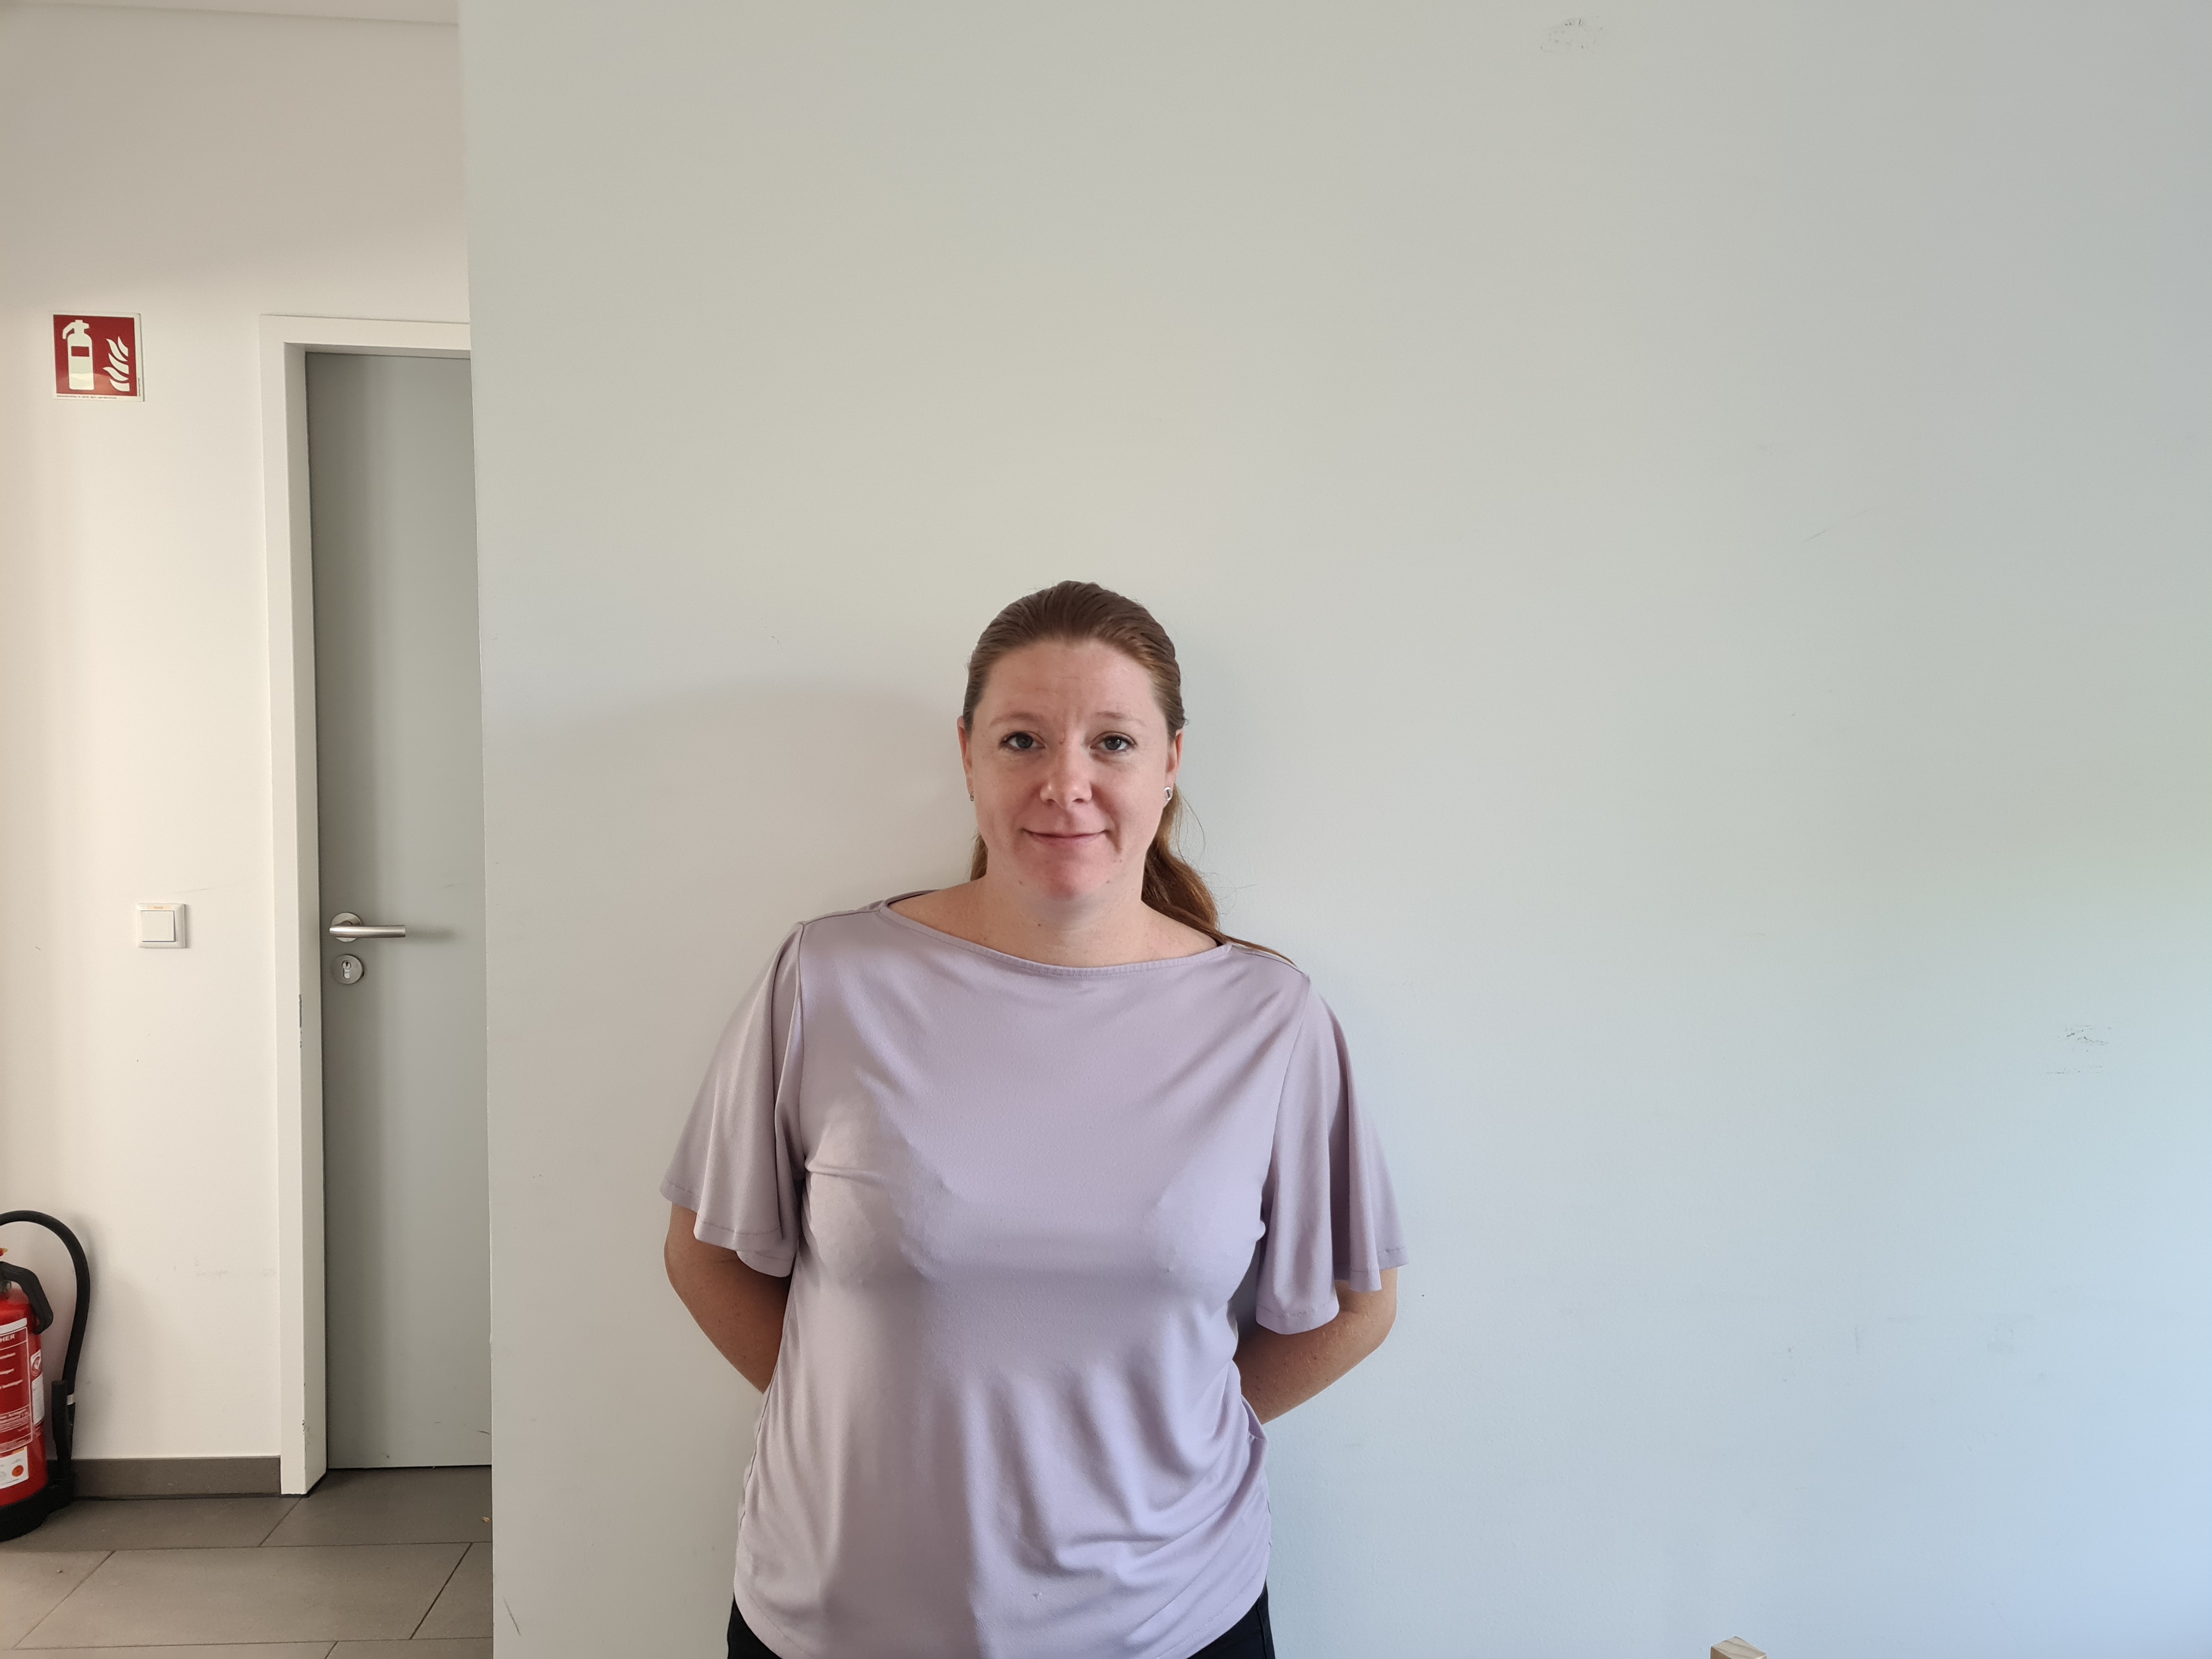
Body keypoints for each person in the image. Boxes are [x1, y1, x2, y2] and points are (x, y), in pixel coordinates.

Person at [662, 580, 1408, 1659]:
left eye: (1114, 741)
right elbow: (703, 1253)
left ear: (1170, 764)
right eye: (1022, 740)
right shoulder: (829, 978)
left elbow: (1356, 1306)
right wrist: (863, 1431)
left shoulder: (1270, 1018)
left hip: (1167, 1617)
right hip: (841, 1616)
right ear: (968, 756)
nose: (1067, 783)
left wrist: (1161, 1444)